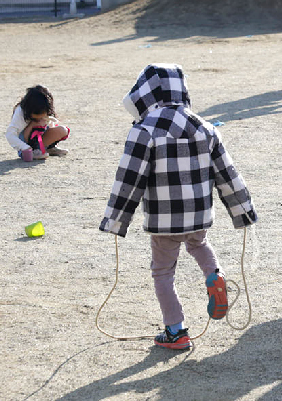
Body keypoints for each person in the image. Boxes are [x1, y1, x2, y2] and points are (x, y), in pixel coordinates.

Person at [99, 64, 258, 350]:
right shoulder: (205, 127)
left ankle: (176, 330)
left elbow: (129, 178)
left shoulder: (144, 130)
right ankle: (215, 276)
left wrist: (115, 219)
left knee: (162, 272)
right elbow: (228, 173)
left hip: (164, 218)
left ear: (145, 92)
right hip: (198, 213)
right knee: (199, 244)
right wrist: (243, 210)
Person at [6, 85, 69, 161]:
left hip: (39, 139)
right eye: (36, 118)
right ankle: (33, 152)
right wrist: (25, 147)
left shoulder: (45, 108)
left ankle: (47, 149)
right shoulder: (21, 112)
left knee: (63, 130)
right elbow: (10, 134)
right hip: (26, 143)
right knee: (34, 126)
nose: (39, 119)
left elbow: (50, 127)